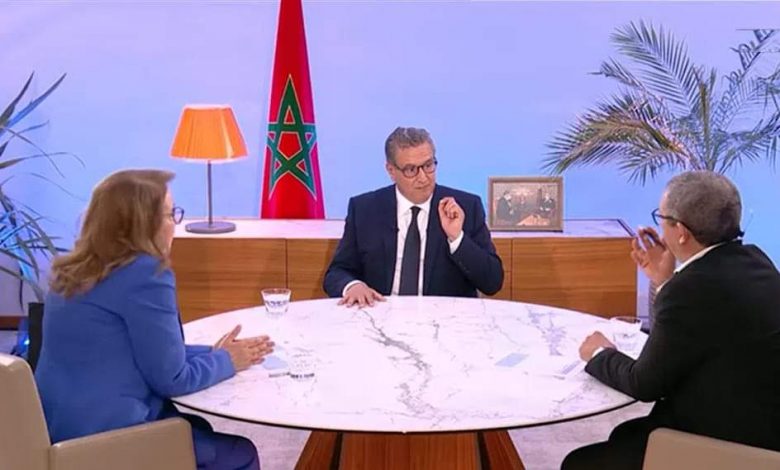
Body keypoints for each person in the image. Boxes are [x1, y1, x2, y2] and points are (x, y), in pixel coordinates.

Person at [35, 169, 274, 470]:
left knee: (197, 427)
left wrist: (213, 353)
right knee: (239, 453)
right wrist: (228, 360)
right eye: (171, 214)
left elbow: (134, 354)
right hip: (108, 440)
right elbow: (173, 380)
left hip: (58, 429)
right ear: (143, 223)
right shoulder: (145, 274)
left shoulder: (73, 269)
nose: (175, 223)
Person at [562, 171, 780, 469]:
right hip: (761, 428)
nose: (659, 227)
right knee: (625, 435)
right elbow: (690, 333)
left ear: (681, 232)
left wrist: (599, 353)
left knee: (580, 464)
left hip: (728, 445)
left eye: (661, 217)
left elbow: (644, 384)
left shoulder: (691, 288)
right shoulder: (755, 260)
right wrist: (664, 281)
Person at [323, 127, 504, 307]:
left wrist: (457, 238)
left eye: (428, 165)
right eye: (411, 170)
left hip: (445, 319)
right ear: (391, 170)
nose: (423, 178)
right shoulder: (365, 209)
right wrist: (353, 286)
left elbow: (492, 282)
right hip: (381, 314)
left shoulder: (466, 207)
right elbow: (337, 272)